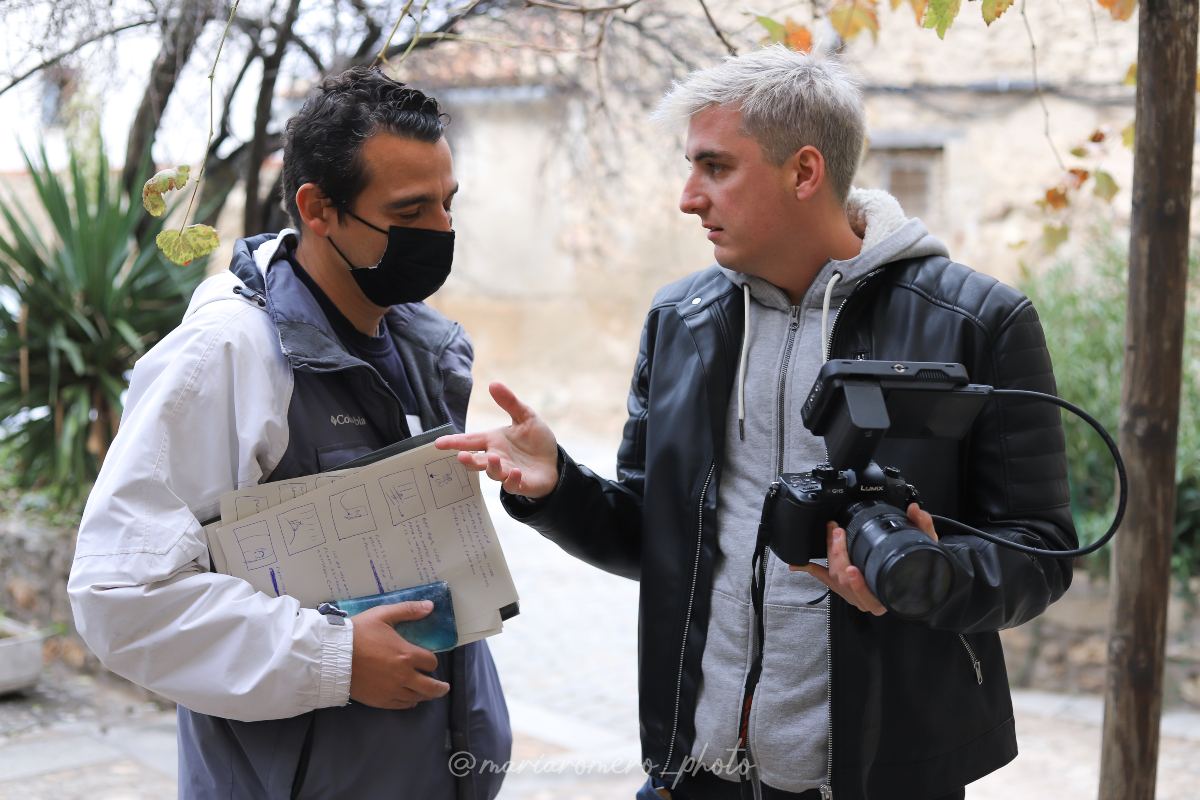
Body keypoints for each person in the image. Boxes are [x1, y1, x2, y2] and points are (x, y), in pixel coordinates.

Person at [435, 46, 1075, 800]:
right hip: (697, 773)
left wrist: (930, 578)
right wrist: (558, 488)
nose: (687, 197)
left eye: (715, 167)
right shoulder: (682, 320)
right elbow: (656, 539)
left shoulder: (976, 323)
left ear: (804, 172)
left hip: (884, 777)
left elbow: (1042, 551)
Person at [69, 67, 510, 799]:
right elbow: (120, 595)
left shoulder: (422, 345)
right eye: (409, 212)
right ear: (319, 209)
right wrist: (331, 658)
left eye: (447, 203)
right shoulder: (228, 357)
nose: (440, 231)